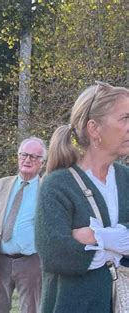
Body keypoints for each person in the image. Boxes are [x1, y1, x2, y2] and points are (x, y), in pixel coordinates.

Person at [35, 82, 129, 312]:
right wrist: (117, 247)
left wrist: (97, 237)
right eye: (124, 118)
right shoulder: (56, 185)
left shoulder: (126, 178)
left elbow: (75, 250)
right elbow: (56, 254)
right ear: (94, 129)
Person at [0, 137, 46, 313]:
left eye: (33, 156)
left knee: (32, 310)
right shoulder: (1, 185)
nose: (27, 160)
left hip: (31, 262)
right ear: (18, 157)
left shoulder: (46, 189)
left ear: (42, 162)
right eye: (24, 155)